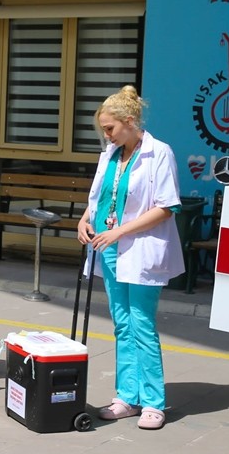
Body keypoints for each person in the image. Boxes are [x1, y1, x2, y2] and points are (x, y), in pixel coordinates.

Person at [76, 85, 185, 431]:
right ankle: (126, 396)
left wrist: (120, 232)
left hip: (139, 250)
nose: (105, 135)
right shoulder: (110, 153)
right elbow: (101, 196)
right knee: (122, 325)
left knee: (142, 325)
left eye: (110, 128)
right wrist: (84, 219)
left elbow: (167, 207)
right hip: (109, 250)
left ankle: (154, 402)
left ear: (129, 121)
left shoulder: (159, 153)